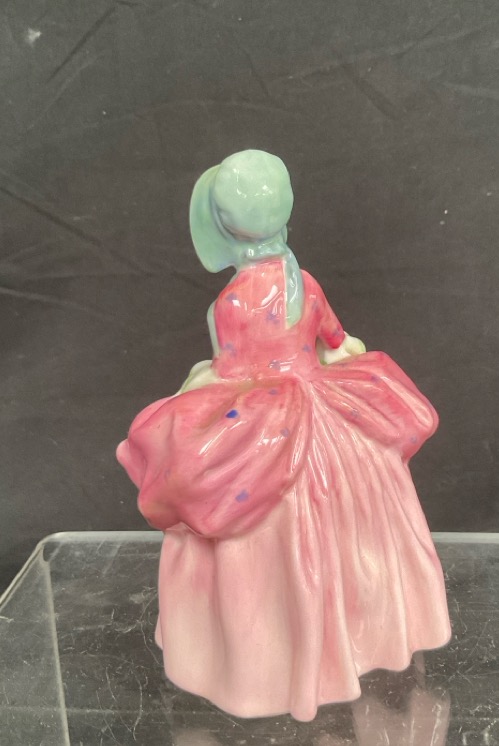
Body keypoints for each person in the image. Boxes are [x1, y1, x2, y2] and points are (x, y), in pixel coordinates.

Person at [117, 149, 451, 722]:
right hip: (323, 409)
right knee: (357, 522)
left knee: (214, 488)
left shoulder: (228, 304)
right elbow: (335, 340)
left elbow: (230, 372)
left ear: (223, 228)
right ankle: (356, 638)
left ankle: (270, 661)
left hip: (269, 419)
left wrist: (193, 392)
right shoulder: (306, 284)